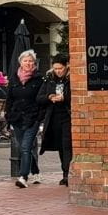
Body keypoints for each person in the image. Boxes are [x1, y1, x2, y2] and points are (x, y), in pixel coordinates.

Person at [6, 50, 44, 188]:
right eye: (25, 61)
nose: (28, 63)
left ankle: (23, 177)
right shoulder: (14, 79)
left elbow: (41, 99)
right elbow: (9, 99)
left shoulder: (39, 79)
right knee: (24, 147)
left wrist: (39, 117)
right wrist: (8, 115)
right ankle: (36, 171)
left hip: (32, 118)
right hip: (17, 118)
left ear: (34, 63)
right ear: (20, 62)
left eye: (30, 61)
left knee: (25, 147)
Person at [37, 54, 73, 186]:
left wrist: (65, 98)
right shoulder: (49, 78)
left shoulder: (70, 78)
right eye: (55, 68)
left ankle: (68, 174)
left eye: (60, 68)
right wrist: (50, 96)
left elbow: (75, 96)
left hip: (67, 115)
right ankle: (64, 173)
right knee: (61, 146)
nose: (58, 71)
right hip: (53, 116)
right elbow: (39, 97)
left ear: (66, 66)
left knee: (67, 145)